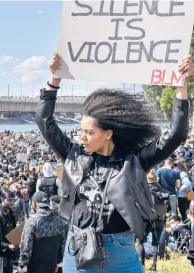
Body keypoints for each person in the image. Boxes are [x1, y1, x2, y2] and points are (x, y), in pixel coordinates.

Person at [37, 52, 194, 273]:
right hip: (79, 248)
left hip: (120, 250)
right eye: (81, 131)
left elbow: (176, 134)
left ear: (108, 133)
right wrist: (53, 80)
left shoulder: (134, 161)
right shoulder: (74, 155)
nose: (82, 137)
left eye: (89, 132)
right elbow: (45, 122)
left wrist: (181, 86)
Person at [18, 192, 67, 273]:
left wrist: (21, 265)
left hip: (35, 267)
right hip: (52, 265)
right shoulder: (58, 221)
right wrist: (58, 262)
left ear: (34, 204)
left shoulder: (32, 222)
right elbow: (63, 244)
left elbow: (26, 246)